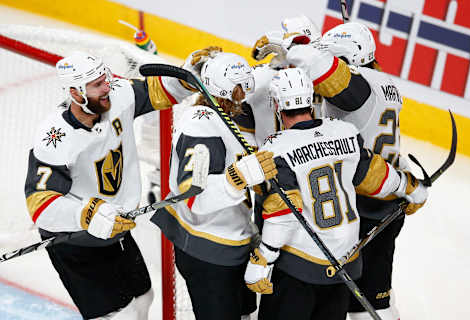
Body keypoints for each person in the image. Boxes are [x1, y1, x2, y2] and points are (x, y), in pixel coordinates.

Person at [243, 68, 427, 320]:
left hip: (299, 267)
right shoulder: (344, 132)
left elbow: (283, 213)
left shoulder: (276, 149)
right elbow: (376, 177)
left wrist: (263, 257)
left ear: (277, 105)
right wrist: (410, 187)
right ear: (312, 100)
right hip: (344, 264)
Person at [24, 51, 192, 320]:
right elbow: (40, 204)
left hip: (116, 227)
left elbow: (158, 92)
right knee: (118, 316)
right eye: (97, 84)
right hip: (75, 240)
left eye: (105, 79)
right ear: (75, 92)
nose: (108, 87)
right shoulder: (54, 138)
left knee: (144, 298)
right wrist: (87, 214)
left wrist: (187, 77)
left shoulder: (117, 93)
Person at [265, 19, 412, 320]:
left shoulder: (356, 87)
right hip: (386, 199)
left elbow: (313, 63)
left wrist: (294, 44)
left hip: (362, 204)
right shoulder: (386, 84)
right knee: (373, 294)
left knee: (358, 303)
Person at [150, 52, 278, 320]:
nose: (247, 92)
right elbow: (192, 195)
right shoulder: (201, 124)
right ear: (227, 89)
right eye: (242, 86)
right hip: (208, 252)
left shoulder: (227, 119)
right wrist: (237, 178)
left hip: (233, 242)